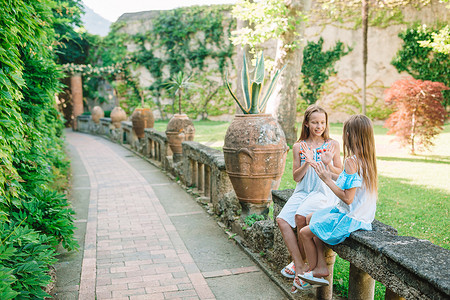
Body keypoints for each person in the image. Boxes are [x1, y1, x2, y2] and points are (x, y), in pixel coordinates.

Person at [298, 114, 378, 286]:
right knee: (311, 217)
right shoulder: (366, 160)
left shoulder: (351, 161)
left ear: (349, 135)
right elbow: (345, 180)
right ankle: (320, 265)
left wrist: (326, 180)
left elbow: (348, 198)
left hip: (351, 218)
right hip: (362, 216)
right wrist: (328, 166)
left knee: (304, 232)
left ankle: (313, 271)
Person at [276, 105, 342, 292]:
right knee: (281, 220)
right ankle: (300, 266)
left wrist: (326, 164)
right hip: (303, 190)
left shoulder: (332, 145)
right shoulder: (299, 146)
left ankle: (302, 270)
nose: (319, 126)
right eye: (314, 122)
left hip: (322, 191)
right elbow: (296, 177)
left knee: (300, 218)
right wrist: (308, 162)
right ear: (306, 123)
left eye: (322, 122)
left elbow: (341, 173)